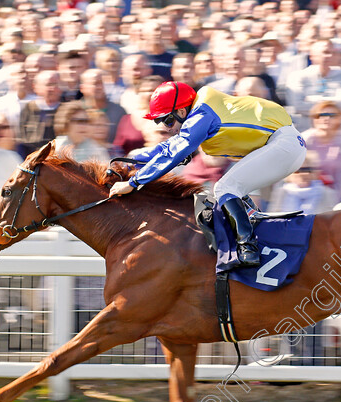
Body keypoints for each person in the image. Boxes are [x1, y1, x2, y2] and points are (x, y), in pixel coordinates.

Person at [108, 81, 306, 267]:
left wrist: (134, 183)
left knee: (225, 188)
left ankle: (248, 249)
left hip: (285, 146)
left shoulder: (202, 115)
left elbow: (173, 153)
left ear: (182, 111)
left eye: (168, 120)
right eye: (160, 122)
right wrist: (126, 164)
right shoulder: (198, 114)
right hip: (285, 144)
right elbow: (163, 149)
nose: (167, 128)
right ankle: (253, 236)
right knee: (231, 190)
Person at [300, 101, 341, 201]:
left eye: (331, 115)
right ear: (314, 119)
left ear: (339, 119)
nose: (326, 118)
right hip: (306, 193)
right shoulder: (304, 139)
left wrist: (334, 203)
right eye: (320, 115)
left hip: (335, 194)